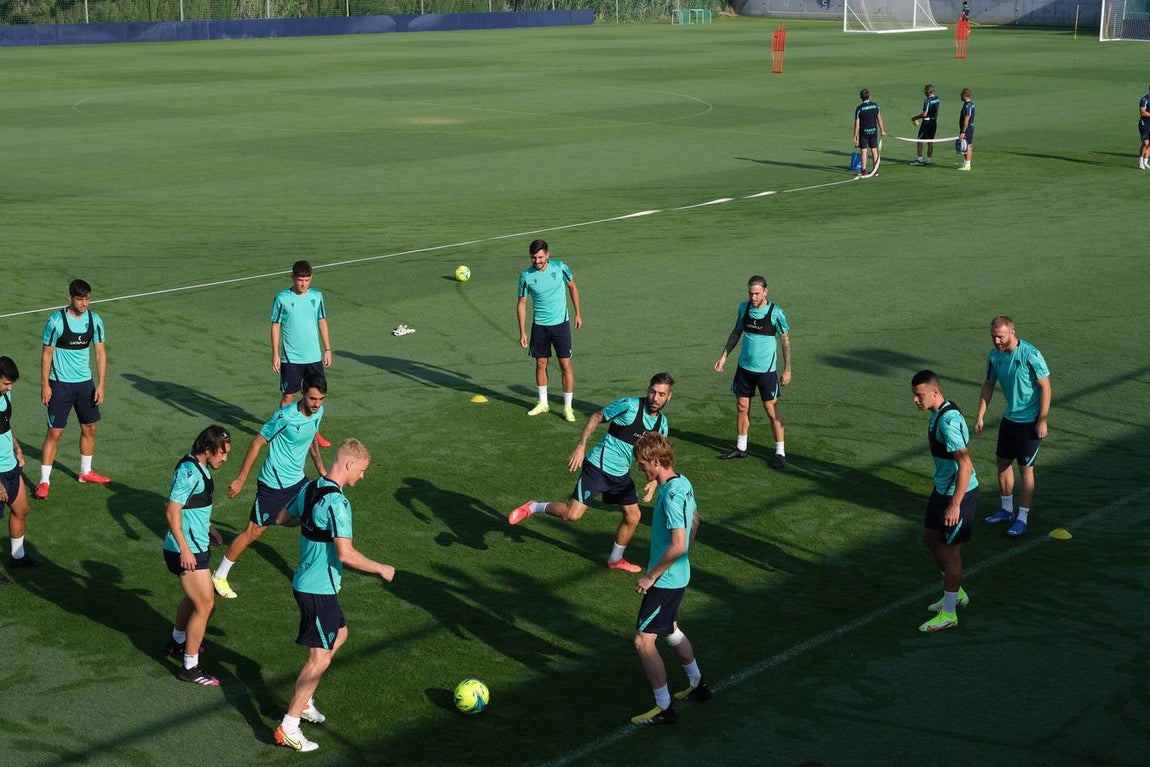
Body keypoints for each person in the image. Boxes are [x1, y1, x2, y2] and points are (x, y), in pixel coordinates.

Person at [272, 438, 395, 752]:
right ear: (349, 463)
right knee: (318, 659)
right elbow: (346, 554)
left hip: (307, 582)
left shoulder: (312, 488)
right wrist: (381, 567)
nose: (362, 477)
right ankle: (289, 725)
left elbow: (282, 518)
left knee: (340, 634)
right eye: (362, 470)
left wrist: (312, 519)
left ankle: (304, 700)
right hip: (318, 588)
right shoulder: (338, 504)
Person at [508, 373, 674, 573]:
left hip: (621, 475)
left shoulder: (661, 424)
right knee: (572, 515)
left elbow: (659, 455)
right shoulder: (629, 406)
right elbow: (597, 416)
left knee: (633, 516)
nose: (655, 398)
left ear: (668, 397)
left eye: (661, 394)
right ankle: (533, 507)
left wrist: (655, 481)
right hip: (597, 467)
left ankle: (615, 559)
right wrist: (581, 445)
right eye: (652, 392)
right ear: (647, 390)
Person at [211, 376, 327, 598]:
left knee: (313, 514)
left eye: (321, 399)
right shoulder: (285, 417)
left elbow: (311, 436)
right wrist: (240, 479)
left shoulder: (318, 412)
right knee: (255, 530)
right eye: (313, 398)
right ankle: (219, 575)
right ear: (303, 393)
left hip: (297, 479)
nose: (316, 404)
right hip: (273, 483)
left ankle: (312, 571)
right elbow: (257, 443)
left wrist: (321, 468)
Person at [628, 433, 708, 725]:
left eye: (643, 464)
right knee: (670, 629)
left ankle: (663, 708)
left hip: (665, 581)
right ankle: (697, 684)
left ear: (657, 461)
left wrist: (650, 577)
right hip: (679, 574)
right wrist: (684, 554)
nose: (640, 469)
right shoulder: (681, 483)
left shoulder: (671, 496)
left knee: (642, 641)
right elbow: (696, 518)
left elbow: (677, 545)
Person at [163, 425, 232, 685]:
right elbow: (172, 511)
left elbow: (193, 507)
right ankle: (190, 667)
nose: (224, 458)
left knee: (196, 602)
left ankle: (178, 642)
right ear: (207, 449)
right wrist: (185, 548)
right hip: (186, 550)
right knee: (205, 605)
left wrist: (209, 527)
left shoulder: (199, 467)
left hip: (195, 545)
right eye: (222, 453)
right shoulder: (189, 473)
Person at [911, 370, 977, 633]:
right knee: (930, 536)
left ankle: (949, 613)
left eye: (919, 395)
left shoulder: (947, 422)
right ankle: (955, 591)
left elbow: (966, 463)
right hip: (943, 489)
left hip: (957, 493)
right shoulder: (939, 412)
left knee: (951, 553)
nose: (916, 400)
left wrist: (955, 504)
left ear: (935, 392)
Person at [975, 316, 1051, 539]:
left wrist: (1042, 419)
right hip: (1009, 419)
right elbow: (989, 384)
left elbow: (1045, 387)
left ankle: (1022, 518)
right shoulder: (994, 356)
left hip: (1030, 422)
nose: (996, 340)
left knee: (1026, 470)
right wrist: (980, 415)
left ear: (1012, 332)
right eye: (993, 336)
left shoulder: (1030, 354)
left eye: (1000, 336)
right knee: (1002, 462)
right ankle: (1006, 509)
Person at [33, 279, 110, 500]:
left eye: (87, 298)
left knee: (90, 428)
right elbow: (46, 354)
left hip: (85, 384)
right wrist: (45, 384)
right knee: (54, 433)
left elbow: (100, 353)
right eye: (80, 299)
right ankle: (44, 482)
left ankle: (85, 472)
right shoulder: (56, 322)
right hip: (60, 385)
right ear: (70, 298)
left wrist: (101, 384)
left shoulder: (95, 321)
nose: (84, 303)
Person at [714, 275, 791, 468]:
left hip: (766, 371)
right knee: (742, 407)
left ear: (766, 291)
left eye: (757, 293)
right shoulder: (744, 308)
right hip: (744, 368)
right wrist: (724, 356)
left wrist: (787, 369)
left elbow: (785, 342)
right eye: (751, 293)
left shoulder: (776, 313)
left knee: (771, 409)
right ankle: (741, 447)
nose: (753, 297)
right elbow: (736, 332)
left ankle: (780, 452)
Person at [516, 239, 583, 422]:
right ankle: (543, 403)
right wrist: (522, 331)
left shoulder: (560, 268)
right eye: (533, 258)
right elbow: (522, 303)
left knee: (565, 365)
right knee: (540, 364)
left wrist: (578, 313)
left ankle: (568, 407)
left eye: (540, 257)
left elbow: (572, 287)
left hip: (561, 325)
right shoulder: (526, 276)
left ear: (547, 255)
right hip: (540, 326)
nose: (536, 261)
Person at [271, 260, 332, 448]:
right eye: (299, 280)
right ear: (293, 278)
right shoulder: (282, 298)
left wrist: (328, 349)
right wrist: (275, 354)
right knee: (288, 397)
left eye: (306, 280)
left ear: (311, 278)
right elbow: (275, 325)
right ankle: (278, 430)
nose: (303, 284)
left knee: (315, 396)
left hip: (313, 357)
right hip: (291, 359)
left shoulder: (317, 296)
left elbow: (322, 321)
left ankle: (314, 434)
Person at [0, 356, 35, 585]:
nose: (9, 387)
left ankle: (17, 556)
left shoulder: (5, 396)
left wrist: (17, 448)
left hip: (10, 465)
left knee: (21, 509)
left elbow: (6, 426)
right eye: (5, 383)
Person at [853, 88, 886, 178]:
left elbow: (857, 123)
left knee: (864, 151)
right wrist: (882, 130)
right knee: (874, 150)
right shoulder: (875, 106)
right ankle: (876, 170)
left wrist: (855, 135)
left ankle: (863, 171)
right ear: (869, 96)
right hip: (873, 131)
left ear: (861, 97)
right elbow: (879, 118)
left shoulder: (859, 108)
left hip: (864, 133)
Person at [910, 84, 941, 166]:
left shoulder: (927, 101)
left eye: (925, 92)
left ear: (928, 92)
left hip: (926, 123)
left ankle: (920, 160)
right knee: (930, 141)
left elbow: (924, 114)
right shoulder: (937, 99)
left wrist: (915, 118)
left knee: (919, 141)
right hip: (934, 122)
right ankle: (928, 160)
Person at [958, 88, 975, 171]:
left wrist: (963, 131)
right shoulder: (970, 104)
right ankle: (966, 163)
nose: (960, 96)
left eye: (961, 94)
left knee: (967, 145)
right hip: (969, 127)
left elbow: (966, 118)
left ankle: (967, 165)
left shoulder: (968, 105)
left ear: (964, 95)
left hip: (967, 128)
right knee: (966, 145)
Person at [1138, 84, 1150, 170]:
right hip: (1144, 123)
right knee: (1145, 142)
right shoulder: (1144, 99)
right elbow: (1142, 112)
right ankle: (1140, 160)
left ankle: (1146, 161)